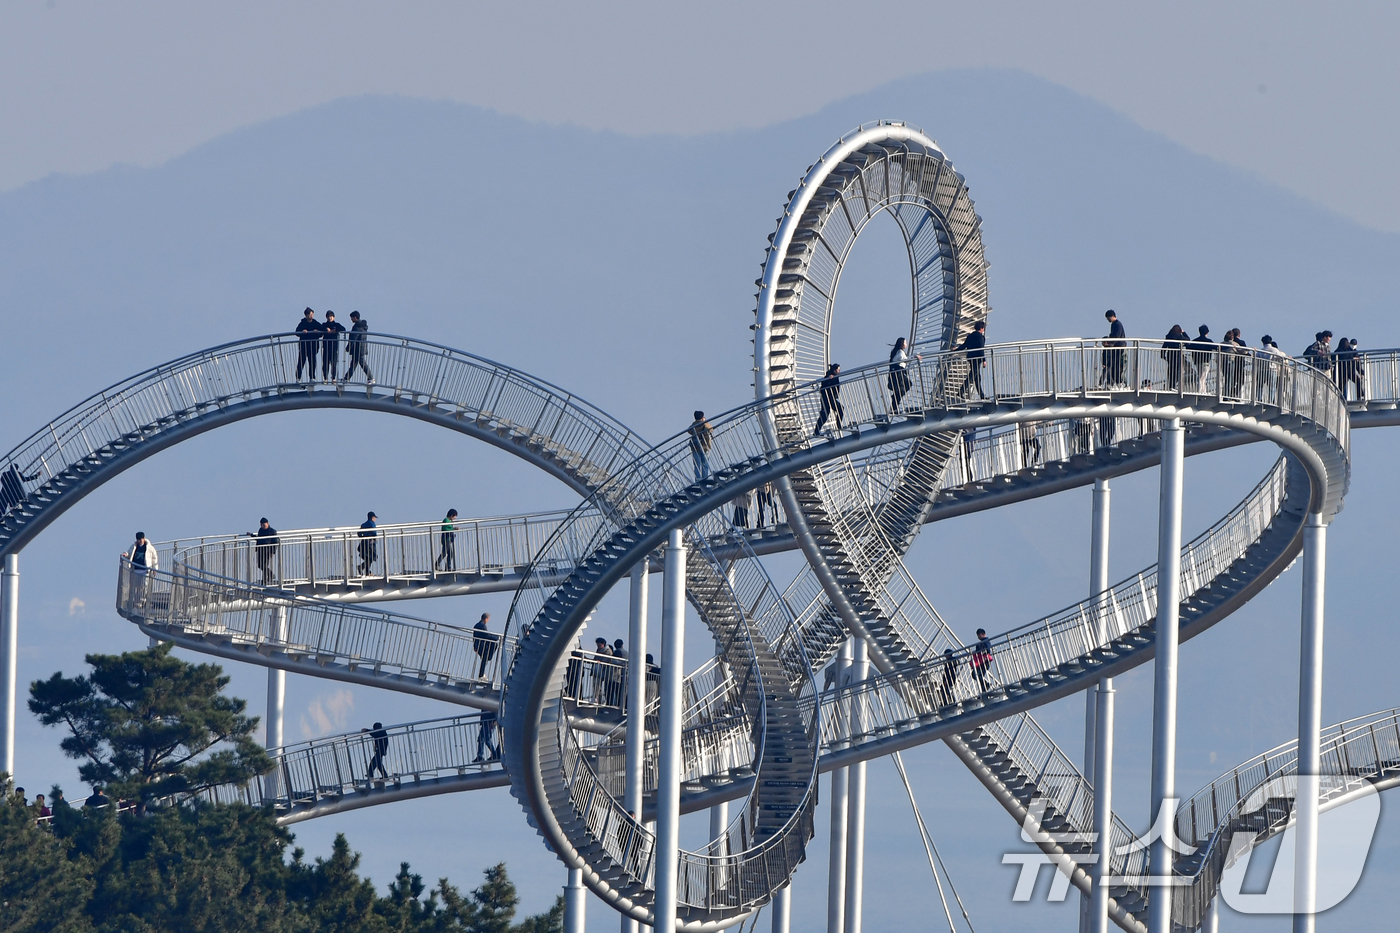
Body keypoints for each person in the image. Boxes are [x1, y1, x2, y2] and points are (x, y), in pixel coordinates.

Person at [121, 531, 157, 606]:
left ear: (144, 538)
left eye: (141, 539)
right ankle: (137, 601)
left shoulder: (149, 548)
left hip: (145, 570)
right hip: (135, 570)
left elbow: (154, 558)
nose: (139, 541)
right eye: (138, 539)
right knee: (135, 586)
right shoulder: (134, 546)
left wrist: (154, 569)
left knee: (144, 586)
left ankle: (142, 600)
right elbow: (129, 553)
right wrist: (126, 554)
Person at [888, 337, 921, 409]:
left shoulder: (897, 351)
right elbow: (904, 359)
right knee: (902, 389)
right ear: (901, 344)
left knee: (903, 388)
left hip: (897, 372)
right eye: (905, 343)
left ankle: (894, 404)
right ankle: (894, 407)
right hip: (898, 373)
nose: (906, 344)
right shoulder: (900, 352)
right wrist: (914, 357)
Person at [812, 363, 844, 435]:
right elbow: (825, 382)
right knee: (826, 414)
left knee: (836, 410)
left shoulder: (835, 376)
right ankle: (816, 431)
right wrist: (829, 377)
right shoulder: (829, 375)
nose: (839, 371)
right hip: (826, 397)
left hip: (830, 397)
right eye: (838, 370)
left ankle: (838, 425)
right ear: (834, 370)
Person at [246, 518, 279, 585]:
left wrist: (273, 552)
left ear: (267, 523)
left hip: (267, 551)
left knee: (264, 565)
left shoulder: (272, 531)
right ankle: (270, 575)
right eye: (262, 524)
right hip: (260, 550)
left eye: (264, 524)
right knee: (260, 565)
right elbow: (259, 539)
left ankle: (265, 580)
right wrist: (251, 535)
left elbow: (275, 542)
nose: (263, 526)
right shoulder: (261, 530)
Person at [959, 321, 987, 398]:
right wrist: (984, 360)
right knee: (973, 375)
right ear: (981, 328)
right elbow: (981, 348)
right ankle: (961, 391)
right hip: (977, 358)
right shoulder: (981, 337)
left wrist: (956, 350)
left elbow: (964, 346)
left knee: (977, 376)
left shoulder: (970, 336)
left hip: (971, 357)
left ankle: (981, 395)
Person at [345, 311, 374, 383]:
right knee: (354, 364)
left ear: (355, 317)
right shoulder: (362, 326)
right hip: (361, 348)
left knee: (361, 363)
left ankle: (371, 378)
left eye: (351, 318)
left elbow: (353, 338)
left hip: (358, 349)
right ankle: (346, 378)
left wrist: (348, 348)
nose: (351, 319)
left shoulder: (357, 326)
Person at [295, 308, 322, 382]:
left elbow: (322, 332)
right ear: (306, 315)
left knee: (312, 362)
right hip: (304, 346)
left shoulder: (315, 323)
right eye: (310, 314)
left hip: (313, 346)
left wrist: (317, 332)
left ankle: (312, 377)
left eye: (312, 314)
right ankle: (298, 378)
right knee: (301, 362)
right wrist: (302, 331)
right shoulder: (302, 323)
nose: (312, 316)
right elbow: (297, 332)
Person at [1102, 310, 1126, 387]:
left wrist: (1110, 342)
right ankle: (1115, 382)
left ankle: (1119, 382)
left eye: (1108, 318)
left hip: (1119, 346)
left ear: (1112, 316)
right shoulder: (1114, 324)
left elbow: (1116, 336)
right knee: (1114, 365)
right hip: (1116, 347)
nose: (1108, 320)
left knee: (1117, 365)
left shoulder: (1117, 324)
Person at [321, 310, 346, 382]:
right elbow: (320, 327)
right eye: (328, 316)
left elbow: (343, 328)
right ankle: (325, 378)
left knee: (334, 363)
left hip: (334, 347)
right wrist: (326, 329)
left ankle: (333, 378)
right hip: (326, 346)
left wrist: (335, 329)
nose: (330, 318)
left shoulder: (336, 324)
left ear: (334, 317)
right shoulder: (324, 324)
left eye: (331, 316)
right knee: (325, 363)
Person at [688, 411, 713, 482]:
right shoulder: (704, 424)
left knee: (697, 465)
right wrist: (705, 422)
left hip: (695, 447)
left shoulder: (693, 425)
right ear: (702, 417)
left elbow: (689, 431)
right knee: (705, 464)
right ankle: (705, 479)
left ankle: (698, 479)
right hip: (705, 446)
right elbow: (711, 429)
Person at [472, 613, 498, 679]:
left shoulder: (477, 625)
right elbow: (486, 636)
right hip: (481, 645)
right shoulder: (482, 625)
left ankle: (481, 674)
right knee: (485, 657)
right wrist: (496, 637)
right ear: (486, 619)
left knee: (484, 659)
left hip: (478, 645)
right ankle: (481, 675)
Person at [1162, 325, 1188, 390]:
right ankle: (1174, 385)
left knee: (1170, 370)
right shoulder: (1180, 336)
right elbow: (1188, 340)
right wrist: (1184, 332)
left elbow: (1164, 346)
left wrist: (1162, 355)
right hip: (1178, 355)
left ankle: (1170, 385)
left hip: (1170, 355)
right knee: (1177, 371)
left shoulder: (1169, 337)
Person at [1189, 325, 1214, 392]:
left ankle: (1203, 390)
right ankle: (1201, 391)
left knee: (1202, 376)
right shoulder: (1209, 341)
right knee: (1202, 377)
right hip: (1206, 362)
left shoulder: (1195, 341)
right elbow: (1217, 347)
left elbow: (1188, 346)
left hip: (1197, 361)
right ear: (1207, 332)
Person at [970, 628, 994, 693]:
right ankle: (984, 686)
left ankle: (984, 687)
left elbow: (987, 650)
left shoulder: (986, 641)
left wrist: (982, 652)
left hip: (985, 661)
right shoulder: (980, 643)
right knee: (976, 674)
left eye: (978, 635)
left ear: (981, 634)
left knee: (977, 674)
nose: (978, 637)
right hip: (981, 661)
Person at [592, 637, 613, 705]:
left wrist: (600, 662)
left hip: (604, 671)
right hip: (598, 671)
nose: (598, 646)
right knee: (597, 685)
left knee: (599, 686)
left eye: (599, 645)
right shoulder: (599, 650)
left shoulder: (607, 651)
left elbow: (606, 660)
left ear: (603, 644)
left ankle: (599, 700)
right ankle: (598, 699)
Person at [611, 638, 628, 708]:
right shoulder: (627, 653)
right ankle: (625, 705)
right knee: (624, 692)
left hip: (618, 675)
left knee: (617, 692)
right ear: (622, 645)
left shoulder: (616, 652)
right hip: (626, 674)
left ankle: (618, 704)